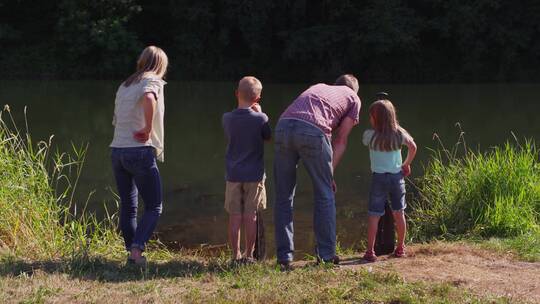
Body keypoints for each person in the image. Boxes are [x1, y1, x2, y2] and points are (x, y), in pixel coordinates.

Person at [274, 74, 361, 267]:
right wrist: (329, 175)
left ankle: (284, 257)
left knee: (283, 196)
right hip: (313, 130)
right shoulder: (353, 97)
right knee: (325, 193)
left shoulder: (319, 86)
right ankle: (326, 255)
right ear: (354, 89)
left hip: (282, 127)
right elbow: (341, 140)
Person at [110, 46, 168, 265]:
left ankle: (131, 254)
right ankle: (136, 250)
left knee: (129, 206)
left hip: (117, 150)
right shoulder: (151, 81)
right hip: (139, 151)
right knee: (154, 206)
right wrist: (146, 128)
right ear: (160, 65)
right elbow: (149, 98)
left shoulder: (125, 85)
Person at [222, 76, 271, 263]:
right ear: (257, 99)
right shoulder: (261, 118)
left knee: (235, 216)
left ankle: (235, 255)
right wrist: (261, 113)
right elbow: (267, 136)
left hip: (233, 175)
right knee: (251, 216)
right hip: (255, 175)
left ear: (236, 93)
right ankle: (249, 255)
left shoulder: (227, 118)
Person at [362, 99, 417, 262]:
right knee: (399, 213)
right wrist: (406, 164)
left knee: (374, 215)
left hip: (378, 178)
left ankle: (370, 251)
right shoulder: (399, 134)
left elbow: (367, 140)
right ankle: (400, 248)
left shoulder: (369, 136)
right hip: (396, 177)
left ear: (375, 118)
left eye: (371, 116)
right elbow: (413, 147)